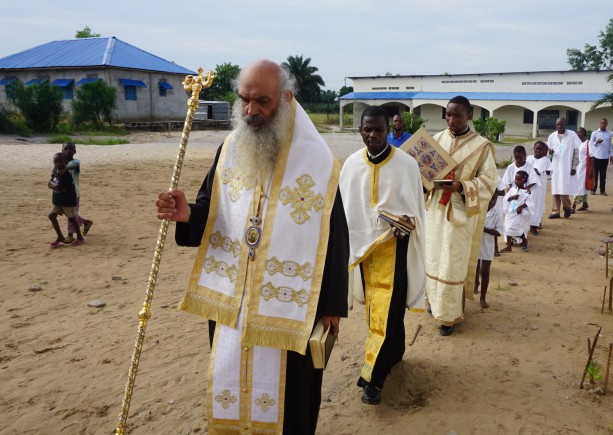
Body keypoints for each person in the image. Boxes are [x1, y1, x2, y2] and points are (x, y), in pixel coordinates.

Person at [154, 60, 349, 434]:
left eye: (262, 101)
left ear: (286, 98)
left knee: (291, 401)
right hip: (233, 303)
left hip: (290, 306)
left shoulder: (319, 162)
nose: (250, 111)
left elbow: (335, 236)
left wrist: (331, 306)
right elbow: (213, 210)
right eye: (244, 100)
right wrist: (187, 215)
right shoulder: (230, 148)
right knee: (229, 389)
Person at [339, 105, 425, 405]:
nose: (373, 135)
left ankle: (372, 380)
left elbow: (416, 210)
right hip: (364, 254)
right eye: (367, 129)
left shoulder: (406, 165)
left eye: (378, 129)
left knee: (386, 314)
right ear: (360, 130)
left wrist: (405, 224)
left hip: (395, 249)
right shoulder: (350, 165)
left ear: (389, 129)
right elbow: (345, 212)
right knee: (378, 312)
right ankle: (395, 352)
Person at [425, 95, 499, 337]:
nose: (452, 120)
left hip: (460, 214)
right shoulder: (436, 140)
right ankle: (433, 303)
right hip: (435, 210)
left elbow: (489, 182)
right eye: (448, 114)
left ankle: (448, 316)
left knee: (452, 262)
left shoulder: (481, 146)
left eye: (457, 115)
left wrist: (461, 186)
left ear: (469, 115)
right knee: (434, 257)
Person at [48, 152, 85, 248]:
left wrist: (54, 185)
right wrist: (54, 185)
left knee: (72, 218)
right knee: (51, 216)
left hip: (67, 201)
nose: (58, 164)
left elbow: (62, 188)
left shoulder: (66, 174)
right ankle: (60, 236)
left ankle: (80, 238)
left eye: (60, 162)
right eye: (56, 162)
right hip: (58, 201)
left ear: (65, 163)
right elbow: (49, 184)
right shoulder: (55, 171)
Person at [546, 117, 579, 218]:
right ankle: (556, 212)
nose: (559, 126)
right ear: (556, 125)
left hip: (566, 167)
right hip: (555, 167)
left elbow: (577, 151)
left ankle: (567, 208)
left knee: (564, 189)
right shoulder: (552, 136)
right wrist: (549, 153)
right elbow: (546, 151)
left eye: (561, 124)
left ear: (565, 125)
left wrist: (574, 166)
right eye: (558, 125)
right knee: (555, 189)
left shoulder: (572, 135)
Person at [474, 193, 503, 309]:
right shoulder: (477, 210)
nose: (492, 201)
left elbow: (499, 231)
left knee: (484, 271)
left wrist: (484, 229)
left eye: (495, 199)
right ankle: (476, 283)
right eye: (490, 199)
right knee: (475, 267)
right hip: (476, 244)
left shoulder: (496, 215)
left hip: (487, 245)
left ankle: (483, 298)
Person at [61, 142, 94, 243]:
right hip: (63, 192)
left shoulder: (75, 162)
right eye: (66, 149)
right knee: (68, 213)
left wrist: (65, 168)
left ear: (75, 151)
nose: (68, 151)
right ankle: (85, 222)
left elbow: (74, 166)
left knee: (71, 214)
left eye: (71, 149)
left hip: (74, 193)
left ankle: (70, 235)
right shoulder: (60, 163)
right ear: (62, 150)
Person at [503, 171, 533, 253]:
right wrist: (512, 197)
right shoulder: (512, 189)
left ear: (524, 180)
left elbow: (530, 203)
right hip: (511, 212)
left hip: (520, 213)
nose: (516, 181)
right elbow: (506, 198)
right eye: (516, 179)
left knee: (516, 227)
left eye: (519, 180)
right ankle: (509, 246)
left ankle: (524, 240)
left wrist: (521, 206)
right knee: (507, 227)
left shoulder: (526, 191)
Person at [526, 141, 551, 235]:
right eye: (537, 148)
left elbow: (549, 172)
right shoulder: (529, 158)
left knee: (537, 205)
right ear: (534, 149)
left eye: (541, 149)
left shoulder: (546, 160)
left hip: (539, 186)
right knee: (527, 204)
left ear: (544, 150)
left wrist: (540, 172)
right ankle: (526, 224)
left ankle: (534, 226)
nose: (538, 150)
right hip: (528, 186)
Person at [589, 118, 613, 196]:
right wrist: (596, 142)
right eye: (602, 123)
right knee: (595, 175)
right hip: (596, 156)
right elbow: (591, 144)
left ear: (607, 124)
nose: (603, 124)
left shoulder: (609, 134)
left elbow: (610, 145)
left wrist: (611, 156)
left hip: (605, 157)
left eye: (604, 123)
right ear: (599, 124)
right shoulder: (594, 133)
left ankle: (602, 190)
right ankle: (593, 189)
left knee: (603, 175)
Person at [573, 127, 590, 211]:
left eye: (580, 132)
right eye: (577, 132)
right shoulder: (575, 143)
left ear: (584, 134)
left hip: (584, 168)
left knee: (579, 186)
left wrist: (591, 170)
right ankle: (585, 203)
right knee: (581, 186)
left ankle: (573, 206)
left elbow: (592, 157)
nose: (577, 134)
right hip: (576, 166)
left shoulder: (588, 143)